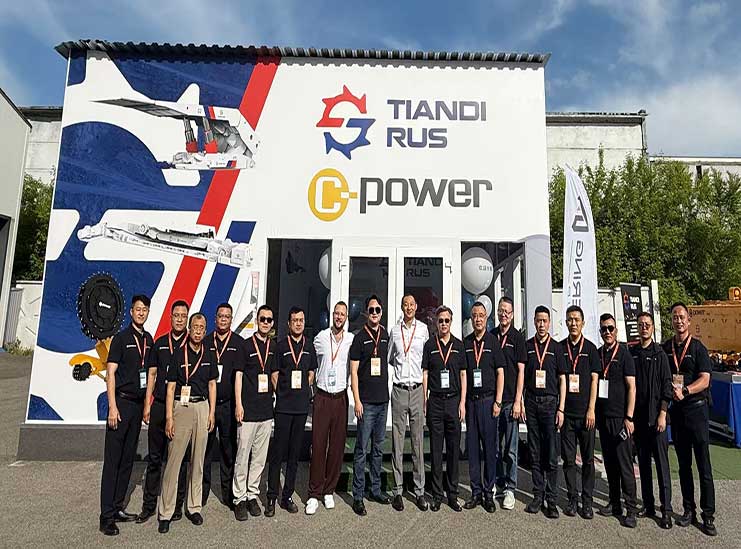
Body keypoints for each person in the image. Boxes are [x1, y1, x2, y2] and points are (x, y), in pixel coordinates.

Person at [99, 294, 155, 536]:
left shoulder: (149, 340)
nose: (141, 313)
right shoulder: (121, 339)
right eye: (138, 309)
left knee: (127, 460)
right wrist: (112, 407)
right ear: (131, 312)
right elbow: (110, 374)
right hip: (120, 404)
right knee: (113, 461)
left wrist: (146, 405)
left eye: (145, 310)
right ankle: (106, 516)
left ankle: (118, 507)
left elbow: (150, 374)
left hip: (137, 406)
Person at [157, 312, 217, 534]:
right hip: (181, 408)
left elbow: (212, 384)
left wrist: (211, 413)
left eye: (202, 328)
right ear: (189, 329)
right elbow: (171, 387)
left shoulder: (209, 354)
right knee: (174, 462)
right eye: (195, 327)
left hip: (202, 407)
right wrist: (169, 418)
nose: (198, 331)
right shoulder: (178, 354)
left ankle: (194, 507)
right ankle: (166, 512)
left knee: (197, 461)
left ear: (205, 330)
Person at [663, 302, 717, 536]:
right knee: (684, 465)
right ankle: (688, 510)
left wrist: (685, 391)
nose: (679, 321)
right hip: (678, 413)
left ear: (688, 320)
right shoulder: (666, 347)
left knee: (703, 466)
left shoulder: (698, 348)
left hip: (697, 410)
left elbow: (705, 379)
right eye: (675, 317)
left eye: (682, 317)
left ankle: (708, 515)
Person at [137, 300, 189, 524]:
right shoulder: (159, 343)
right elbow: (151, 374)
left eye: (183, 316)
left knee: (179, 460)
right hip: (159, 404)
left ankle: (176, 505)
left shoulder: (193, 344)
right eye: (176, 315)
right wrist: (147, 404)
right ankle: (149, 505)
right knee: (155, 458)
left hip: (181, 406)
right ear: (171, 317)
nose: (179, 319)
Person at [265, 307, 317, 516]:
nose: (298, 323)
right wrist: (283, 393)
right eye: (294, 320)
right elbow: (274, 374)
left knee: (294, 455)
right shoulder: (280, 346)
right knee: (277, 454)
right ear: (288, 323)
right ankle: (271, 497)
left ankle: (287, 496)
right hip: (284, 408)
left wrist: (303, 390)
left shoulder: (309, 346)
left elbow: (311, 372)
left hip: (301, 408)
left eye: (301, 320)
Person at [306, 301, 354, 515]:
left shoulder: (351, 340)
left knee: (336, 446)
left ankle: (328, 491)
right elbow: (309, 360)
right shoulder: (321, 338)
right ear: (331, 315)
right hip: (323, 397)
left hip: (341, 397)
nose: (339, 317)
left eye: (342, 314)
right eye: (336, 313)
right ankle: (314, 493)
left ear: (346, 317)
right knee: (318, 445)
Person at [629, 311, 673, 530]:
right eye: (640, 324)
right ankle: (648, 504)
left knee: (662, 466)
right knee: (644, 464)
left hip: (657, 418)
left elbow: (667, 386)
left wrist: (663, 413)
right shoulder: (633, 353)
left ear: (653, 328)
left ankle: (666, 510)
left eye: (647, 324)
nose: (644, 327)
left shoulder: (660, 354)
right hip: (639, 419)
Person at [232, 305, 276, 520]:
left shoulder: (273, 346)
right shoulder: (246, 345)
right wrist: (238, 405)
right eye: (262, 319)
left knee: (259, 458)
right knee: (242, 456)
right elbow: (238, 376)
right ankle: (239, 498)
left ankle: (252, 494)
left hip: (266, 411)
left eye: (269, 319)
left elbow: (275, 376)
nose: (265, 322)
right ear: (257, 321)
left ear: (272, 323)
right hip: (247, 411)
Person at [350, 295, 391, 516]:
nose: (374, 313)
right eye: (371, 310)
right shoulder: (359, 338)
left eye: (377, 309)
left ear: (381, 312)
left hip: (383, 401)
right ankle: (358, 496)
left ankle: (375, 490)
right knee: (361, 450)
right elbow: (354, 372)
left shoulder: (385, 335)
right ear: (366, 312)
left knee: (377, 449)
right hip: (365, 403)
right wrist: (357, 400)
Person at [463, 301, 506, 513]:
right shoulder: (466, 343)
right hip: (471, 402)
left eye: (481, 315)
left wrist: (498, 401)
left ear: (486, 318)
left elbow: (500, 373)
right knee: (472, 450)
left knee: (490, 449)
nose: (478, 319)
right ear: (471, 319)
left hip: (489, 402)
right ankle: (476, 492)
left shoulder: (493, 342)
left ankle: (489, 493)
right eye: (475, 316)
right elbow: (463, 375)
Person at [596, 314, 638, 528]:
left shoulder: (624, 354)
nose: (607, 332)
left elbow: (632, 387)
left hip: (621, 419)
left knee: (624, 465)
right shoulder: (599, 353)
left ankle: (631, 508)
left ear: (616, 330)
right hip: (603, 417)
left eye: (610, 328)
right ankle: (614, 503)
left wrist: (629, 417)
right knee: (610, 464)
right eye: (604, 329)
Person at [388, 294, 429, 512]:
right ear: (402, 307)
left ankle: (419, 491)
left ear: (416, 306)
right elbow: (390, 357)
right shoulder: (394, 331)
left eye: (412, 304)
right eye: (406, 304)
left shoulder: (423, 330)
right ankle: (397, 490)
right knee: (397, 442)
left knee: (417, 442)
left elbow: (426, 362)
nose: (409, 307)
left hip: (417, 390)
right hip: (399, 389)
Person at [524, 305, 566, 519]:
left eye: (544, 321)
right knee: (534, 452)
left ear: (549, 323)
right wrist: (521, 402)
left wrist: (561, 408)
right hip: (531, 402)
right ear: (534, 322)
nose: (541, 325)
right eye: (538, 321)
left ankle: (552, 500)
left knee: (550, 454)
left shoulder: (556, 348)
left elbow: (562, 379)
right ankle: (537, 496)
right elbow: (522, 376)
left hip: (550, 404)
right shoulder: (528, 346)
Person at [422, 306, 466, 512]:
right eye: (440, 321)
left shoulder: (459, 345)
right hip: (436, 402)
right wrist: (425, 400)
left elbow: (464, 375)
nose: (443, 324)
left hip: (453, 401)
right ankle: (437, 495)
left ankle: (453, 494)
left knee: (453, 450)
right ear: (436, 323)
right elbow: (425, 373)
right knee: (436, 451)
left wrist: (462, 403)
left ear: (451, 322)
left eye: (447, 320)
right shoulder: (430, 345)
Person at [559, 304, 600, 519]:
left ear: (583, 323)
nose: (573, 323)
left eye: (576, 319)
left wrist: (591, 409)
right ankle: (572, 499)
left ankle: (587, 501)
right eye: (569, 319)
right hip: (567, 414)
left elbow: (594, 381)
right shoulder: (560, 348)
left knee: (588, 460)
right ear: (565, 323)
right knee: (568, 460)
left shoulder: (591, 349)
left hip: (586, 415)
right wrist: (560, 409)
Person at [203, 303, 245, 508]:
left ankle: (228, 495)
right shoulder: (205, 341)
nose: (223, 319)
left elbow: (240, 376)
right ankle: (201, 494)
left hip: (228, 405)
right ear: (215, 318)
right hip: (208, 405)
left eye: (227, 317)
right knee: (205, 450)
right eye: (220, 316)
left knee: (228, 451)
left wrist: (239, 404)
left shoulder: (238, 343)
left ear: (231, 319)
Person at [492, 296, 527, 510]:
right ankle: (498, 483)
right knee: (494, 447)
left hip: (510, 402)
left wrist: (518, 401)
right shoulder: (491, 335)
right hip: (495, 402)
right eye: (501, 310)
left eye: (507, 311)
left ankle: (511, 489)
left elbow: (521, 371)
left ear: (512, 315)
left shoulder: (517, 338)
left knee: (511, 450)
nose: (503, 314)